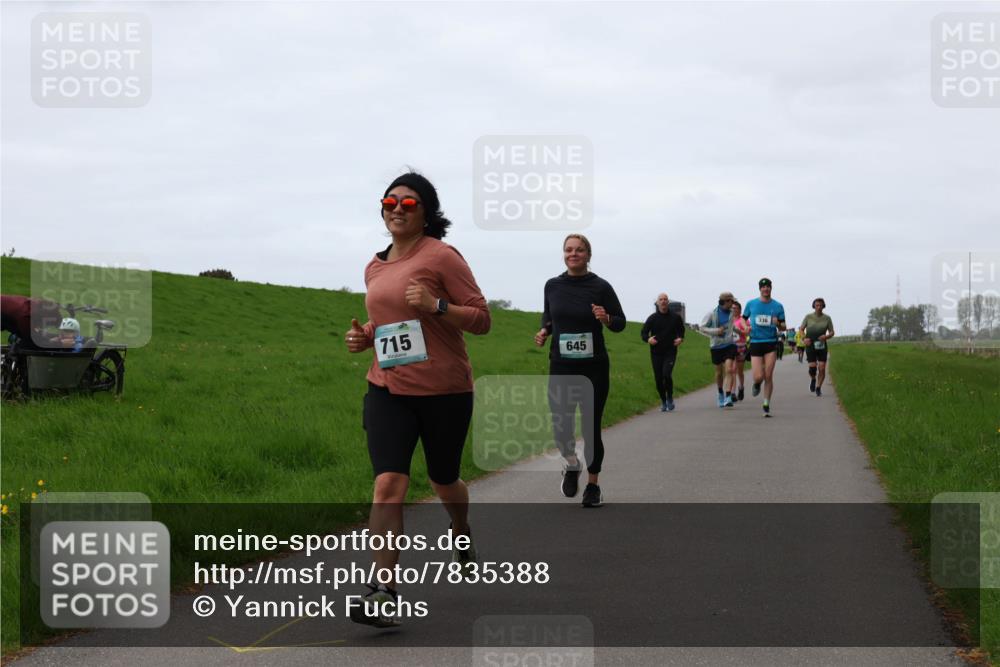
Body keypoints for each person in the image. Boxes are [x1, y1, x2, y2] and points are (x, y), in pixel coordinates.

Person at [345, 172, 491, 627]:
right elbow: (389, 322)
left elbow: (482, 319)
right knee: (389, 483)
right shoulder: (374, 266)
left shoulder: (442, 256)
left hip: (445, 390)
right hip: (387, 388)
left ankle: (460, 529)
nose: (395, 208)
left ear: (426, 210)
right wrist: (364, 337)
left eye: (407, 203)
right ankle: (384, 590)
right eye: (389, 201)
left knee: (444, 478)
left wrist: (437, 306)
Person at [535, 234, 625, 508]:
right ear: (563, 254)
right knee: (561, 426)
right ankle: (572, 464)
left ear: (588, 255)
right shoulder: (552, 285)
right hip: (561, 366)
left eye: (579, 250)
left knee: (590, 426)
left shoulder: (601, 287)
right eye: (568, 250)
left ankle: (593, 486)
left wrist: (606, 318)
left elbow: (620, 323)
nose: (573, 254)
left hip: (593, 368)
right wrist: (544, 330)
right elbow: (549, 316)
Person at [744, 278, 786, 417]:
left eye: (768, 287)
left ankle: (766, 403)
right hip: (756, 342)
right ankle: (756, 384)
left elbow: (784, 326)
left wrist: (778, 324)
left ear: (771, 288)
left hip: (770, 342)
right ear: (760, 289)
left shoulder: (778, 306)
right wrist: (746, 327)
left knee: (768, 375)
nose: (766, 289)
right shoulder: (751, 304)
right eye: (763, 287)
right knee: (758, 376)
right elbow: (743, 319)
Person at [640, 293, 685, 411]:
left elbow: (681, 331)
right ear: (658, 303)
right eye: (661, 299)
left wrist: (680, 339)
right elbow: (643, 333)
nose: (663, 301)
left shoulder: (675, 317)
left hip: (670, 351)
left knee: (666, 374)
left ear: (668, 302)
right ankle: (663, 401)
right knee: (658, 378)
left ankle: (670, 397)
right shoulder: (652, 318)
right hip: (656, 353)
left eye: (665, 299)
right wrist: (648, 339)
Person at [700, 292, 738, 408]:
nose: (733, 304)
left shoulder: (732, 313)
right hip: (716, 346)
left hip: (729, 344)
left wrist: (742, 331)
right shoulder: (712, 313)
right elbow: (702, 327)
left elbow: (732, 327)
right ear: (725, 301)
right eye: (731, 301)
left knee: (729, 369)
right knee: (718, 373)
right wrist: (716, 331)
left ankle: (728, 396)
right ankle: (720, 392)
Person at [800, 298, 835, 397]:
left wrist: (826, 336)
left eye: (820, 305)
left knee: (822, 368)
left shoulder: (827, 318)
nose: (819, 307)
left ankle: (818, 387)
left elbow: (832, 332)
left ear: (823, 306)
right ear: (814, 306)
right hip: (810, 344)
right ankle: (813, 379)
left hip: (822, 345)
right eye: (817, 305)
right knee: (812, 369)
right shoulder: (808, 317)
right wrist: (804, 338)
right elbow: (801, 329)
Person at [731, 301, 749, 401]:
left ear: (739, 310)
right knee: (732, 369)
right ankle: (733, 393)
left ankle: (741, 387)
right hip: (730, 346)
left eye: (736, 308)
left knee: (739, 371)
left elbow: (747, 332)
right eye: (732, 308)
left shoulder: (743, 320)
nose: (734, 310)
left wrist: (740, 331)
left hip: (741, 346)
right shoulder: (728, 319)